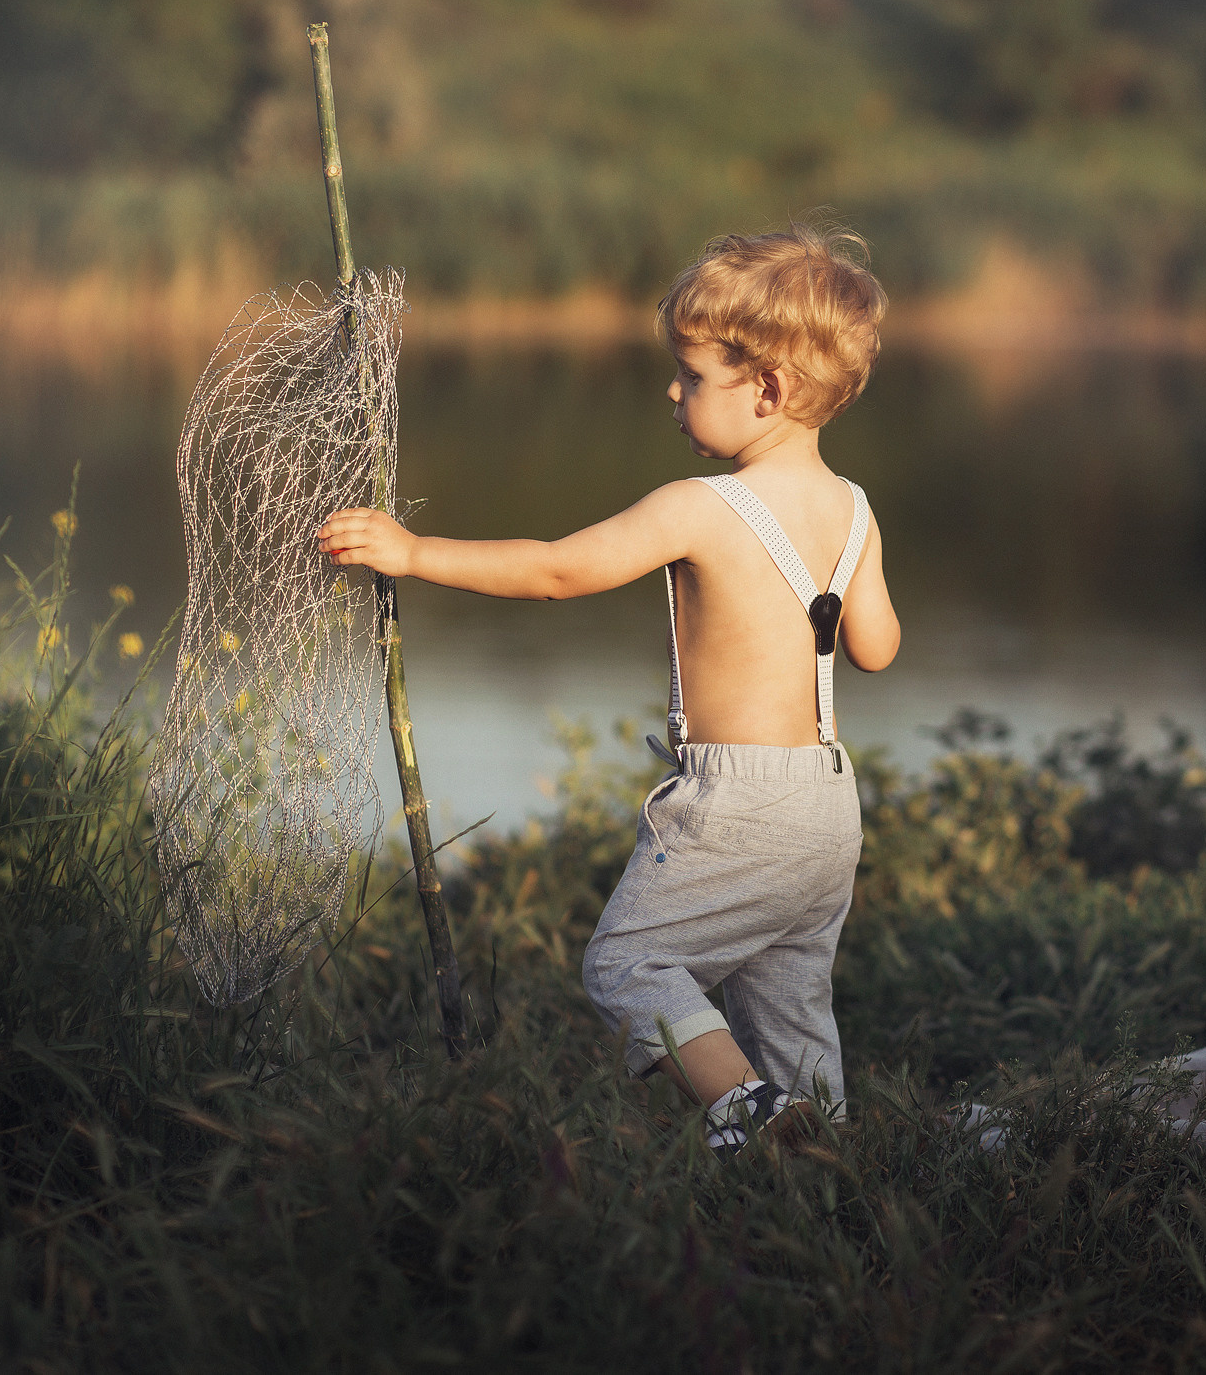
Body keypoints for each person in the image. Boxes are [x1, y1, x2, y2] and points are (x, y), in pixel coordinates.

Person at [316, 221, 900, 1155]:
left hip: (739, 799)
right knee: (789, 1000)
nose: (673, 390)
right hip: (826, 803)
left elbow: (556, 571)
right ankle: (827, 1150)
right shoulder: (856, 508)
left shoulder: (698, 507)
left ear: (769, 389)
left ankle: (755, 1123)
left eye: (694, 375)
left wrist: (415, 552)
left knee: (630, 963)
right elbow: (876, 648)